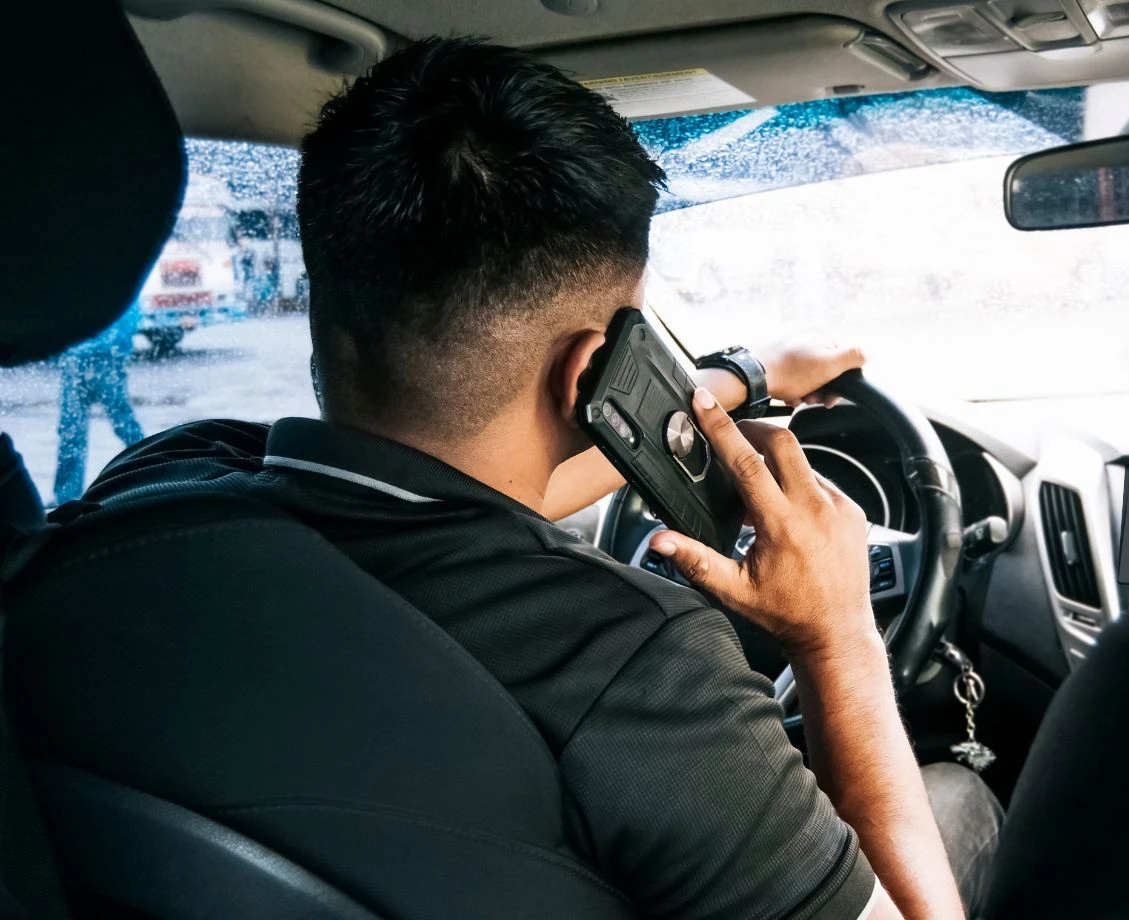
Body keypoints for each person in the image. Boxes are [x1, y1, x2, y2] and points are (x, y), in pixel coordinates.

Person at [76, 38, 1002, 918]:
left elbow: (465, 485)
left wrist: (744, 376)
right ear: (588, 376)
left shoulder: (158, 490)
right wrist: (838, 633)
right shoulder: (637, 667)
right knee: (957, 795)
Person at [52, 299, 145, 504]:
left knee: (124, 424)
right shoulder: (98, 282)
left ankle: (153, 473)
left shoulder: (111, 283)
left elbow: (130, 315)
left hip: (103, 359)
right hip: (78, 360)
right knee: (71, 430)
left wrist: (113, 347)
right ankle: (66, 497)